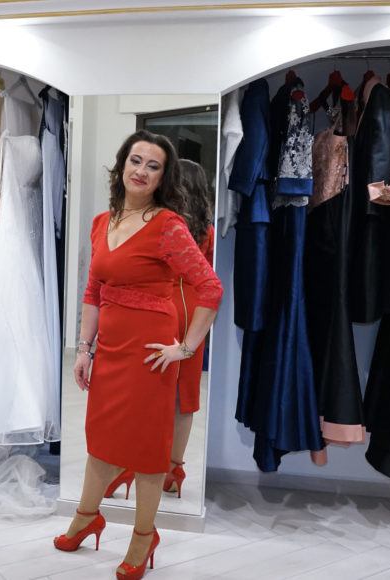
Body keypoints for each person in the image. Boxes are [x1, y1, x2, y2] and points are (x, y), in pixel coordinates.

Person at [54, 130, 222, 580]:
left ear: (163, 177)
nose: (142, 171)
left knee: (148, 449)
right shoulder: (101, 222)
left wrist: (185, 348)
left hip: (150, 355)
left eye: (153, 166)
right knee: (100, 438)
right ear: (121, 165)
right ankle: (87, 516)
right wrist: (84, 349)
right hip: (109, 349)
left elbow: (210, 288)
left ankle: (144, 537)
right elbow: (93, 290)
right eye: (136, 160)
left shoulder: (168, 225)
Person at [165, 158, 215, 497]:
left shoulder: (164, 223)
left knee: (149, 390)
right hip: (195, 308)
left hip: (163, 304)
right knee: (184, 396)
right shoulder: (205, 231)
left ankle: (132, 463)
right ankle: (173, 471)